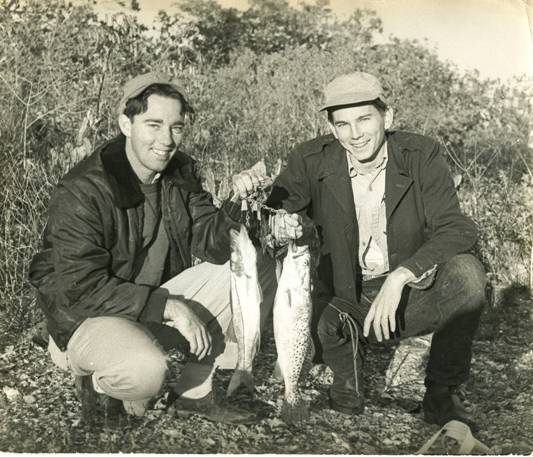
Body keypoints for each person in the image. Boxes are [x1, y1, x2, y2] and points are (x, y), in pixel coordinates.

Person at [29, 71, 280, 424]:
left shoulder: (178, 173)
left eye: (176, 127)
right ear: (126, 124)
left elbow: (215, 247)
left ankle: (194, 393)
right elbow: (81, 288)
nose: (166, 139)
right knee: (144, 373)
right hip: (87, 316)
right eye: (154, 125)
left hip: (147, 307)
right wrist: (169, 307)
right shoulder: (83, 189)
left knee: (254, 265)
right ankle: (98, 381)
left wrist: (237, 204)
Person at [268, 71, 486, 430]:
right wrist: (278, 222)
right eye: (343, 124)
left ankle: (441, 394)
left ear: (388, 116)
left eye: (365, 119)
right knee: (320, 331)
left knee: (467, 274)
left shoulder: (422, 154)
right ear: (332, 128)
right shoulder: (310, 159)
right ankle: (346, 374)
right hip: (344, 298)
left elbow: (457, 228)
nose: (355, 134)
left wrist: (401, 276)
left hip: (406, 298)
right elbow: (272, 209)